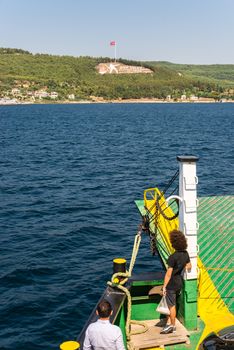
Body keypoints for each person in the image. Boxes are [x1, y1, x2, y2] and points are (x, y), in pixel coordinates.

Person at [160, 229, 192, 334]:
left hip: (171, 284)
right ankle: (169, 321)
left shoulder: (172, 257)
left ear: (173, 244)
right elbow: (189, 266)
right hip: (179, 282)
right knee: (172, 303)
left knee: (171, 305)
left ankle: (172, 326)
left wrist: (164, 286)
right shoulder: (185, 254)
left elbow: (168, 274)